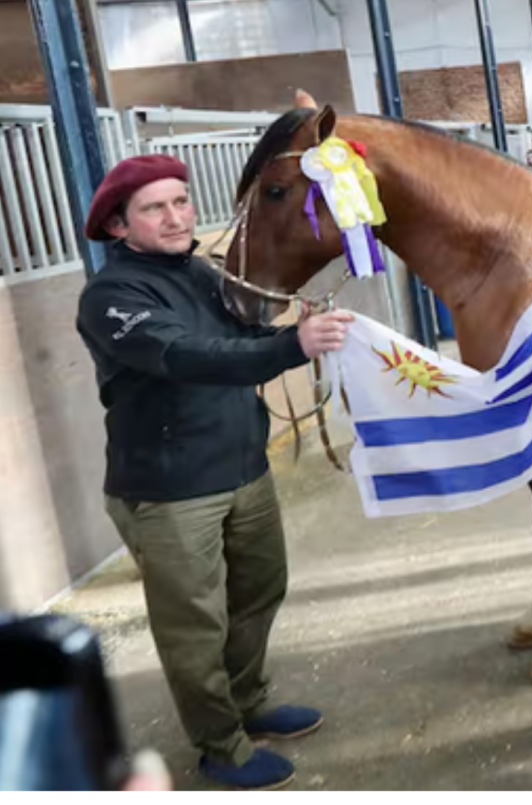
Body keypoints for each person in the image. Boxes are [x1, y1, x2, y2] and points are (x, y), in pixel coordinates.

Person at [75, 154, 353, 790]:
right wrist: (291, 347)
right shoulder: (113, 296)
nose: (176, 217)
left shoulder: (201, 272)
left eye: (181, 201)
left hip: (243, 469)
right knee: (194, 626)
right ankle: (220, 745)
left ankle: (249, 704)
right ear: (118, 226)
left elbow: (241, 338)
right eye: (155, 208)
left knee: (258, 592)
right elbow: (182, 354)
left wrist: (292, 319)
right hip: (170, 489)